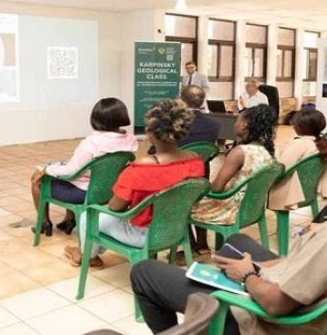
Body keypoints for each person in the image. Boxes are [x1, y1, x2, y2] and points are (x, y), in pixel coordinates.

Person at [130, 137, 327, 335]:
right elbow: (317, 266)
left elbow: (275, 304)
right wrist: (266, 267)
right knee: (237, 243)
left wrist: (248, 275)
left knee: (144, 273)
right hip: (321, 304)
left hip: (278, 322)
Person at [63, 99, 204, 268]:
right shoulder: (195, 161)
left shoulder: (141, 168)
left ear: (150, 133)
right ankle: (88, 253)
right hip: (176, 230)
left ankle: (87, 256)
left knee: (89, 215)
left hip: (141, 235)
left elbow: (116, 208)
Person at [29, 98, 138, 236]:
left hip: (84, 193)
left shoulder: (91, 143)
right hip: (111, 191)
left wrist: (45, 169)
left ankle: (44, 222)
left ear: (96, 118)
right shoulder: (130, 140)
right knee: (66, 173)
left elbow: (71, 172)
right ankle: (69, 220)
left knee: (38, 179)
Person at [189, 104, 278, 254]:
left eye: (237, 121)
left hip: (231, 211)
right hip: (251, 209)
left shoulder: (238, 153)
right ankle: (202, 247)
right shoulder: (265, 151)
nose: (234, 124)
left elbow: (216, 188)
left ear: (244, 125)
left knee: (185, 205)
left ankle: (194, 249)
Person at [147, 85, 220, 177]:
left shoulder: (173, 123)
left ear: (181, 99)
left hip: (171, 176)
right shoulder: (215, 124)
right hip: (200, 178)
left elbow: (154, 151)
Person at [268, 109, 327, 210]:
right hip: (310, 191)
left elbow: (281, 170)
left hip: (290, 195)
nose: (293, 126)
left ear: (302, 127)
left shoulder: (299, 144)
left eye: (295, 124)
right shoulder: (326, 142)